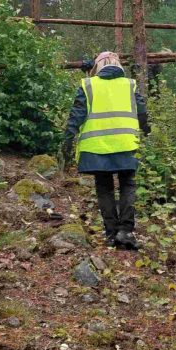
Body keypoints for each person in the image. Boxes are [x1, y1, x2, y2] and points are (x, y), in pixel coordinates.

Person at [60, 51, 150, 250]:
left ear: (98, 66)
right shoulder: (130, 85)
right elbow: (142, 113)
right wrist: (147, 132)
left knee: (104, 187)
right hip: (127, 144)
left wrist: (67, 141)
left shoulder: (88, 85)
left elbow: (76, 115)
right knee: (128, 185)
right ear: (118, 65)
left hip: (97, 147)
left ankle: (111, 233)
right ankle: (126, 231)